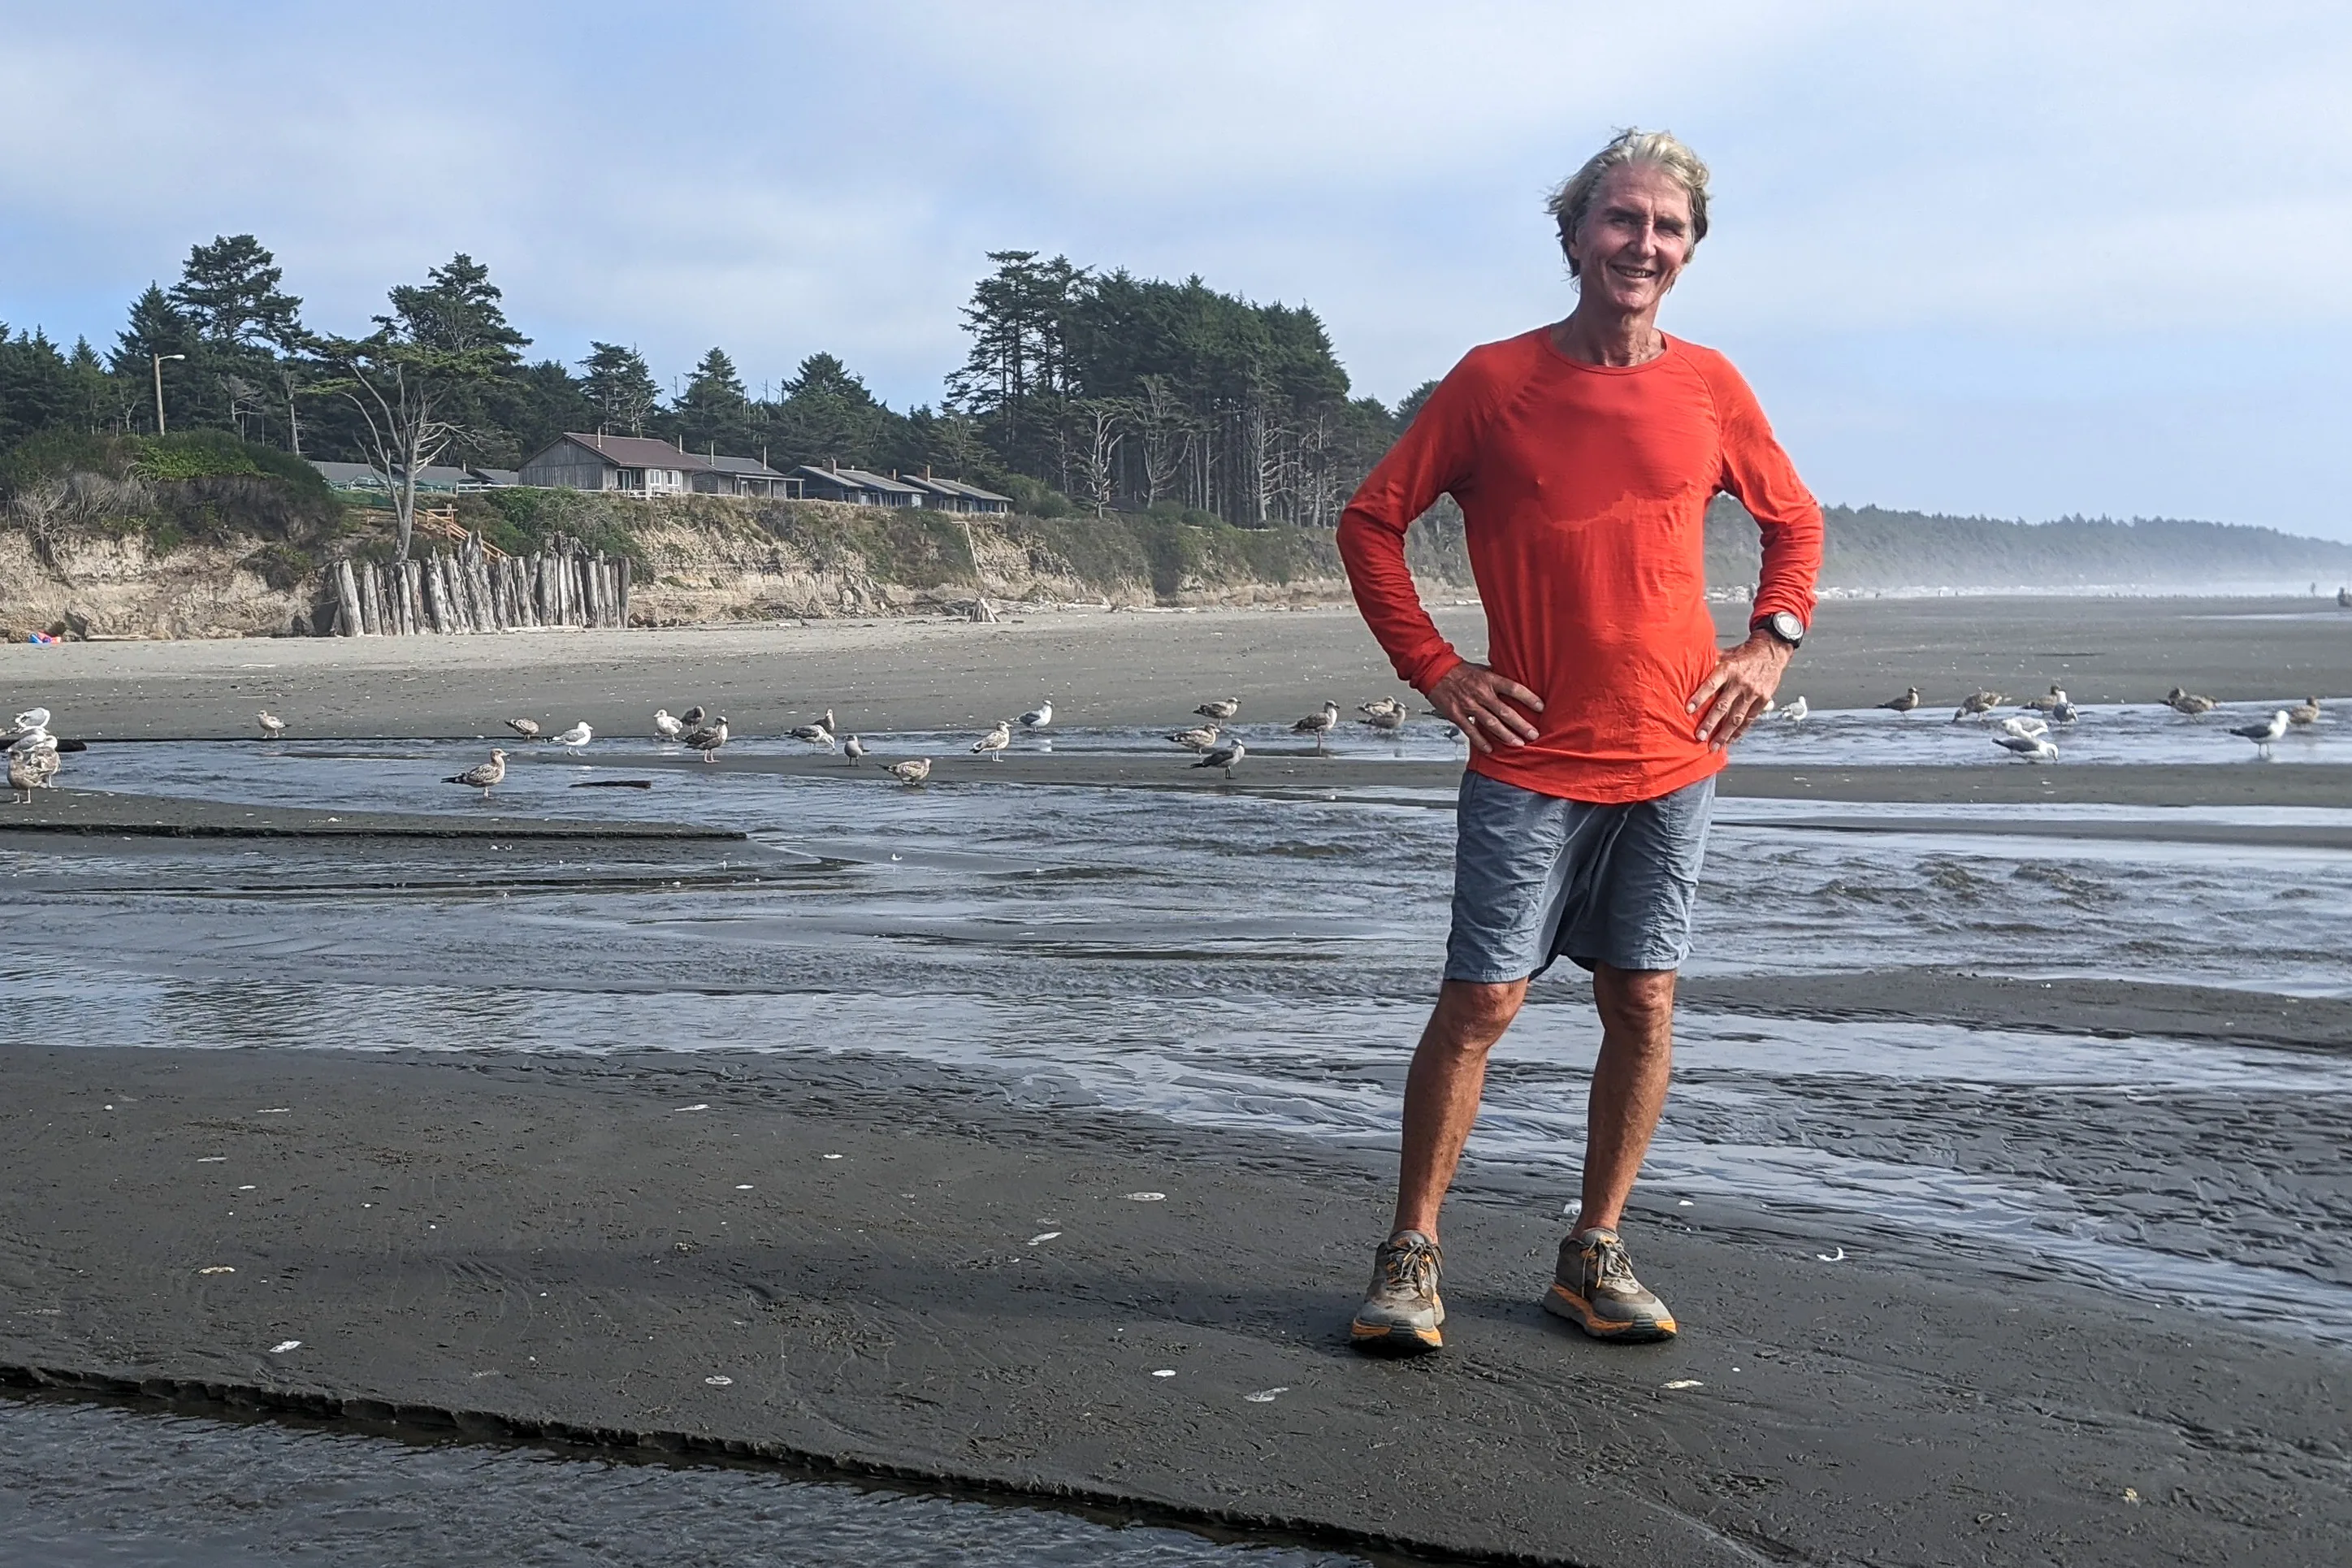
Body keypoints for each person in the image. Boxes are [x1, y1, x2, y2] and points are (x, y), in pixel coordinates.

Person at [1336, 128, 1822, 1354]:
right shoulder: (1494, 383)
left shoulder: (1709, 386)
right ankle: (1411, 1252)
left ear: (1688, 252)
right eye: (1620, 220)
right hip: (1529, 758)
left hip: (1674, 754)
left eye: (1665, 228)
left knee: (1642, 998)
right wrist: (1436, 671)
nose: (1640, 244)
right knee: (1482, 999)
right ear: (1572, 237)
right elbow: (1370, 521)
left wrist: (1768, 643)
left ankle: (1591, 1247)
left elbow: (1794, 520)